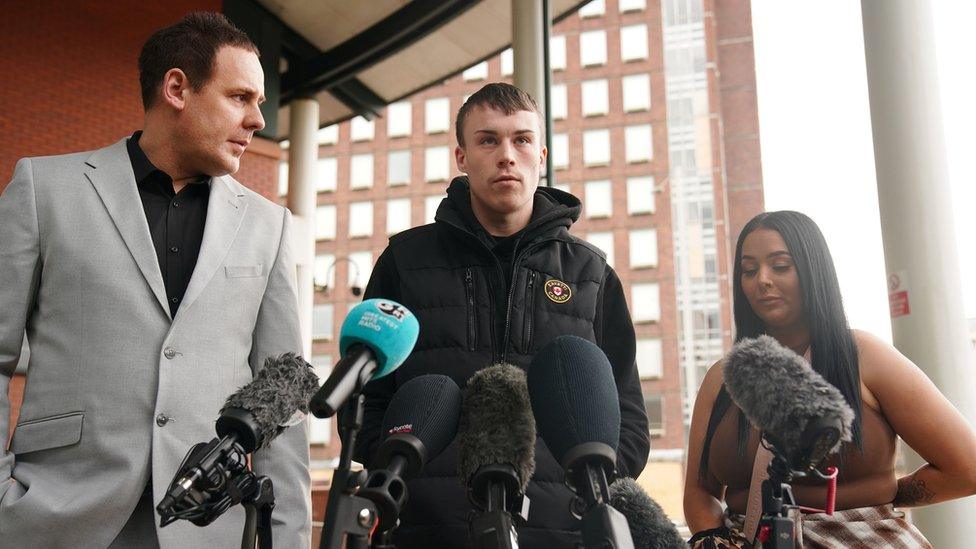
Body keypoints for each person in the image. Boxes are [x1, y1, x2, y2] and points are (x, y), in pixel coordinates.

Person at [0, 13, 311, 548]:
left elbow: (281, 392)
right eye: (241, 97)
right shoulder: (43, 189)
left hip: (208, 527)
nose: (259, 120)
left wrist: (287, 541)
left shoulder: (271, 226)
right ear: (176, 89)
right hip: (55, 518)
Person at [344, 82, 650, 547]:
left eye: (521, 139)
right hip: (427, 534)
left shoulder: (592, 274)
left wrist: (585, 499)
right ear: (462, 157)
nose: (507, 154)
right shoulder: (403, 263)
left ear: (541, 154)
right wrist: (406, 486)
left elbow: (627, 419)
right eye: (488, 140)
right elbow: (364, 404)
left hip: (561, 535)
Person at [684, 210, 976, 548]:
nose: (762, 279)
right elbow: (698, 490)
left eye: (780, 266)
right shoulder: (720, 378)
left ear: (813, 271)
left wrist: (887, 495)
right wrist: (712, 536)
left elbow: (966, 467)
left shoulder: (865, 356)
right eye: (749, 270)